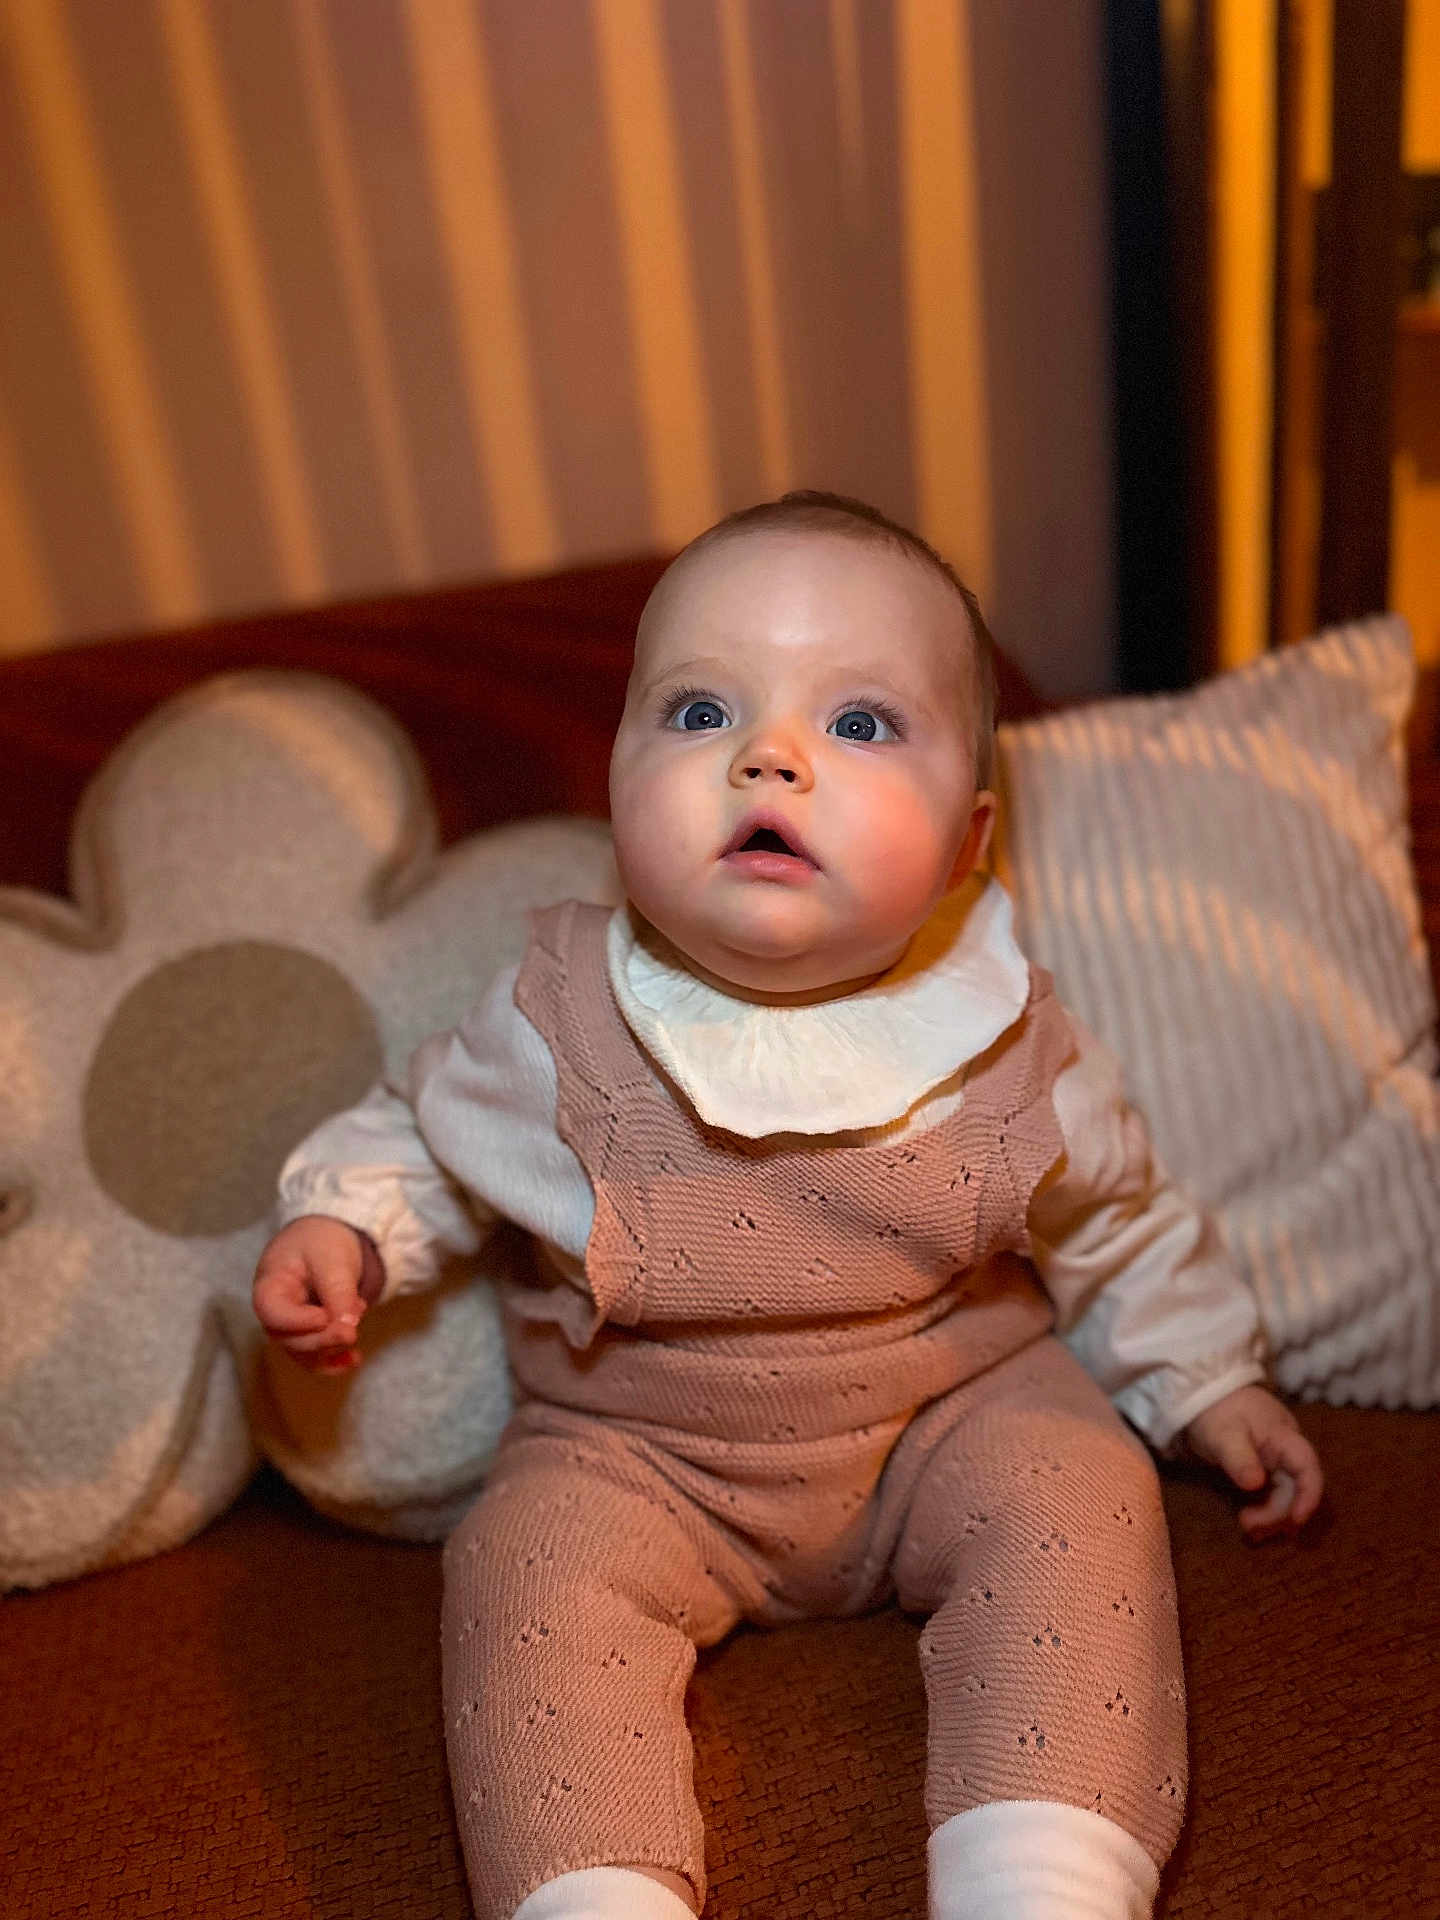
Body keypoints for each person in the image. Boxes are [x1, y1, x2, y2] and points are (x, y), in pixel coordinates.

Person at [253, 492, 1323, 1920]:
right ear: (616, 771)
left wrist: (1205, 1379)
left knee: (1081, 1500)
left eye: (862, 726)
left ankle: (1044, 1869)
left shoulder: (1007, 1040)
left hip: (950, 1421)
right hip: (639, 1453)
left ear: (966, 845)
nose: (767, 756)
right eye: (698, 713)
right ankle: (593, 1893)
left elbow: (1112, 1223)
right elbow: (426, 1140)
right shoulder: (558, 1019)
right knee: (522, 1570)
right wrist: (346, 1231)